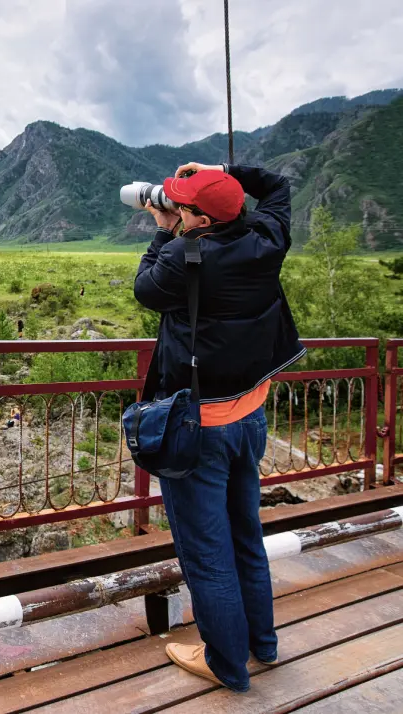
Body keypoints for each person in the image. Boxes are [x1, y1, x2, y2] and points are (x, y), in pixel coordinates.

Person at [135, 161, 305, 692]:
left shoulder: (184, 260)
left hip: (199, 430)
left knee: (208, 555)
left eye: (181, 207)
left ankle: (226, 664)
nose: (173, 211)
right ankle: (263, 645)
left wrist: (162, 234)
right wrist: (222, 171)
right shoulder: (267, 236)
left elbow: (145, 288)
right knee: (245, 537)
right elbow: (276, 185)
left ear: (200, 221)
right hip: (249, 418)